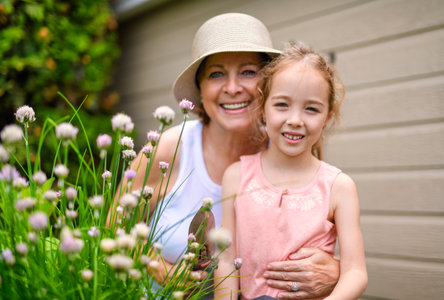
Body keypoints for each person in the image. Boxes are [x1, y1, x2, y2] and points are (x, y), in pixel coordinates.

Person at [116, 13, 341, 298]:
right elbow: (109, 228)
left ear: (269, 83)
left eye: (248, 72)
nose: (233, 88)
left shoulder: (288, 151)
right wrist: (156, 264)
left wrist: (334, 270)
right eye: (216, 74)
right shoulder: (170, 149)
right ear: (200, 88)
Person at [215, 41, 368, 300]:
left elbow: (355, 272)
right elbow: (226, 261)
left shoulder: (338, 187)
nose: (295, 120)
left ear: (328, 117)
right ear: (263, 109)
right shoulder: (236, 177)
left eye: (311, 109)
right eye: (282, 105)